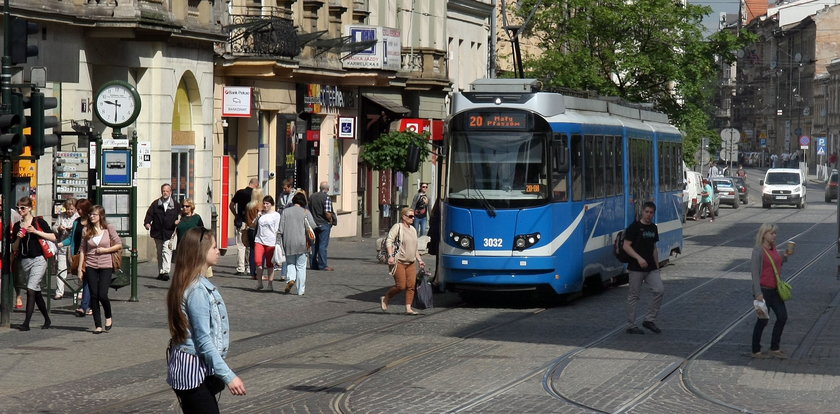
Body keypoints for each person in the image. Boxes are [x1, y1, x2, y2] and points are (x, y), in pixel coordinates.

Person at [166, 227, 247, 412]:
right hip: (193, 372)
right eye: (214, 248)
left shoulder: (190, 282)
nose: (218, 251)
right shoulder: (197, 290)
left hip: (191, 370)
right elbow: (203, 340)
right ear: (201, 252)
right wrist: (229, 376)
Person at [12, 196, 56, 331]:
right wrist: (19, 238)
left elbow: (53, 237)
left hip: (39, 259)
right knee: (35, 292)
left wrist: (35, 231)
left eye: (23, 208)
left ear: (30, 208)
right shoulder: (17, 226)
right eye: (18, 207)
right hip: (25, 260)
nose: (20, 210)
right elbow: (14, 248)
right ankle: (47, 319)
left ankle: (26, 323)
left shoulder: (38, 221)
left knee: (30, 289)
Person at [80, 205, 122, 334]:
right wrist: (80, 268)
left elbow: (118, 244)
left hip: (106, 265)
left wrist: (105, 250)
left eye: (94, 214)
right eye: (90, 214)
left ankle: (108, 316)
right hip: (91, 265)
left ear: (100, 216)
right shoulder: (86, 230)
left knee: (102, 294)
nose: (92, 216)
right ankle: (98, 325)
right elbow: (83, 249)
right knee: (94, 295)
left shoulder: (108, 228)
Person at [751, 223, 791, 359]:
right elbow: (755, 273)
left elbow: (777, 263)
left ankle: (775, 347)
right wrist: (758, 293)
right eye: (771, 233)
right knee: (762, 320)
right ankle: (755, 349)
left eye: (775, 233)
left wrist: (785, 256)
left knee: (782, 317)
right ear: (764, 234)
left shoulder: (774, 249)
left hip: (775, 290)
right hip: (763, 290)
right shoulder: (758, 251)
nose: (774, 235)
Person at [622, 201, 663, 334]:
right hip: (635, 268)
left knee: (659, 290)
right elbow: (626, 246)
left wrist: (657, 267)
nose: (649, 215)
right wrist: (639, 258)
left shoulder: (653, 228)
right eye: (647, 212)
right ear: (642, 212)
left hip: (651, 268)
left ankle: (649, 320)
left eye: (651, 213)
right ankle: (631, 325)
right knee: (634, 296)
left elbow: (654, 249)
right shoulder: (634, 227)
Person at [381, 207, 425, 315]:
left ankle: (408, 308)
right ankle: (386, 297)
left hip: (411, 262)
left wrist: (420, 260)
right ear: (404, 217)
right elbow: (389, 241)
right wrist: (391, 256)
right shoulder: (398, 227)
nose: (413, 218)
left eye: (413, 216)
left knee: (411, 286)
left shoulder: (413, 230)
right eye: (410, 216)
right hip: (399, 261)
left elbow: (415, 248)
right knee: (401, 286)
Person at [278, 192, 315, 296]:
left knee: (290, 263)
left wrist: (278, 242)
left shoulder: (285, 212)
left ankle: (291, 279)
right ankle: (300, 290)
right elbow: (313, 225)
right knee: (301, 266)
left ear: (293, 201)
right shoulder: (305, 212)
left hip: (288, 242)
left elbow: (280, 229)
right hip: (302, 243)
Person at [144, 183, 181, 281]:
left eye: (167, 191)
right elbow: (149, 215)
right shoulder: (156, 204)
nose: (165, 193)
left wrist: (178, 221)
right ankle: (161, 272)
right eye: (163, 191)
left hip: (169, 232)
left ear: (171, 192)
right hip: (158, 232)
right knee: (159, 253)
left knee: (166, 251)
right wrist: (147, 223)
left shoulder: (176, 205)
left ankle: (165, 272)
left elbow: (181, 215)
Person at [65, 199, 93, 317]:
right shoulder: (76, 222)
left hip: (91, 255)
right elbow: (71, 239)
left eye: (79, 209)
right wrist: (60, 244)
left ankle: (84, 306)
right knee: (86, 280)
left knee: (87, 280)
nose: (78, 211)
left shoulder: (93, 221)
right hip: (79, 254)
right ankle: (90, 305)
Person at [229, 178, 258, 276]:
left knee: (241, 245)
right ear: (256, 185)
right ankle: (250, 267)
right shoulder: (255, 194)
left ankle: (241, 268)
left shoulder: (240, 192)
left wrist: (236, 214)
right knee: (250, 245)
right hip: (252, 222)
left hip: (241, 221)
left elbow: (231, 205)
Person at [52, 198, 78, 300]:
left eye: (72, 209)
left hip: (74, 247)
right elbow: (54, 228)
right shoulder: (61, 216)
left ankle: (79, 291)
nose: (69, 211)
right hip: (62, 246)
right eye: (68, 209)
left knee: (76, 269)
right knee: (61, 269)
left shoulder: (78, 218)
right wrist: (58, 228)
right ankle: (59, 292)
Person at [253, 195, 281, 291]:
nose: (265, 205)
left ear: (271, 204)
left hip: (270, 241)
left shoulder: (276, 215)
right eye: (264, 203)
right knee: (258, 261)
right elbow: (253, 225)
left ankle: (270, 284)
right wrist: (257, 217)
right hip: (259, 240)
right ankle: (259, 283)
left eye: (267, 203)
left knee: (270, 264)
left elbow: (276, 229)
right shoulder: (261, 214)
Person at [309, 181, 336, 271]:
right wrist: (331, 220)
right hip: (324, 224)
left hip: (313, 223)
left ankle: (313, 264)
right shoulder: (326, 197)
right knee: (322, 245)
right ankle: (323, 265)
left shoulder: (312, 196)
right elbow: (327, 212)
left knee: (314, 245)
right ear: (327, 189)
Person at [245, 187, 265, 280]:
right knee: (260, 252)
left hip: (250, 229)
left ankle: (252, 272)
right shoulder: (260, 206)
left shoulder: (248, 205)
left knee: (252, 251)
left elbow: (247, 219)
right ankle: (259, 272)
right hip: (257, 230)